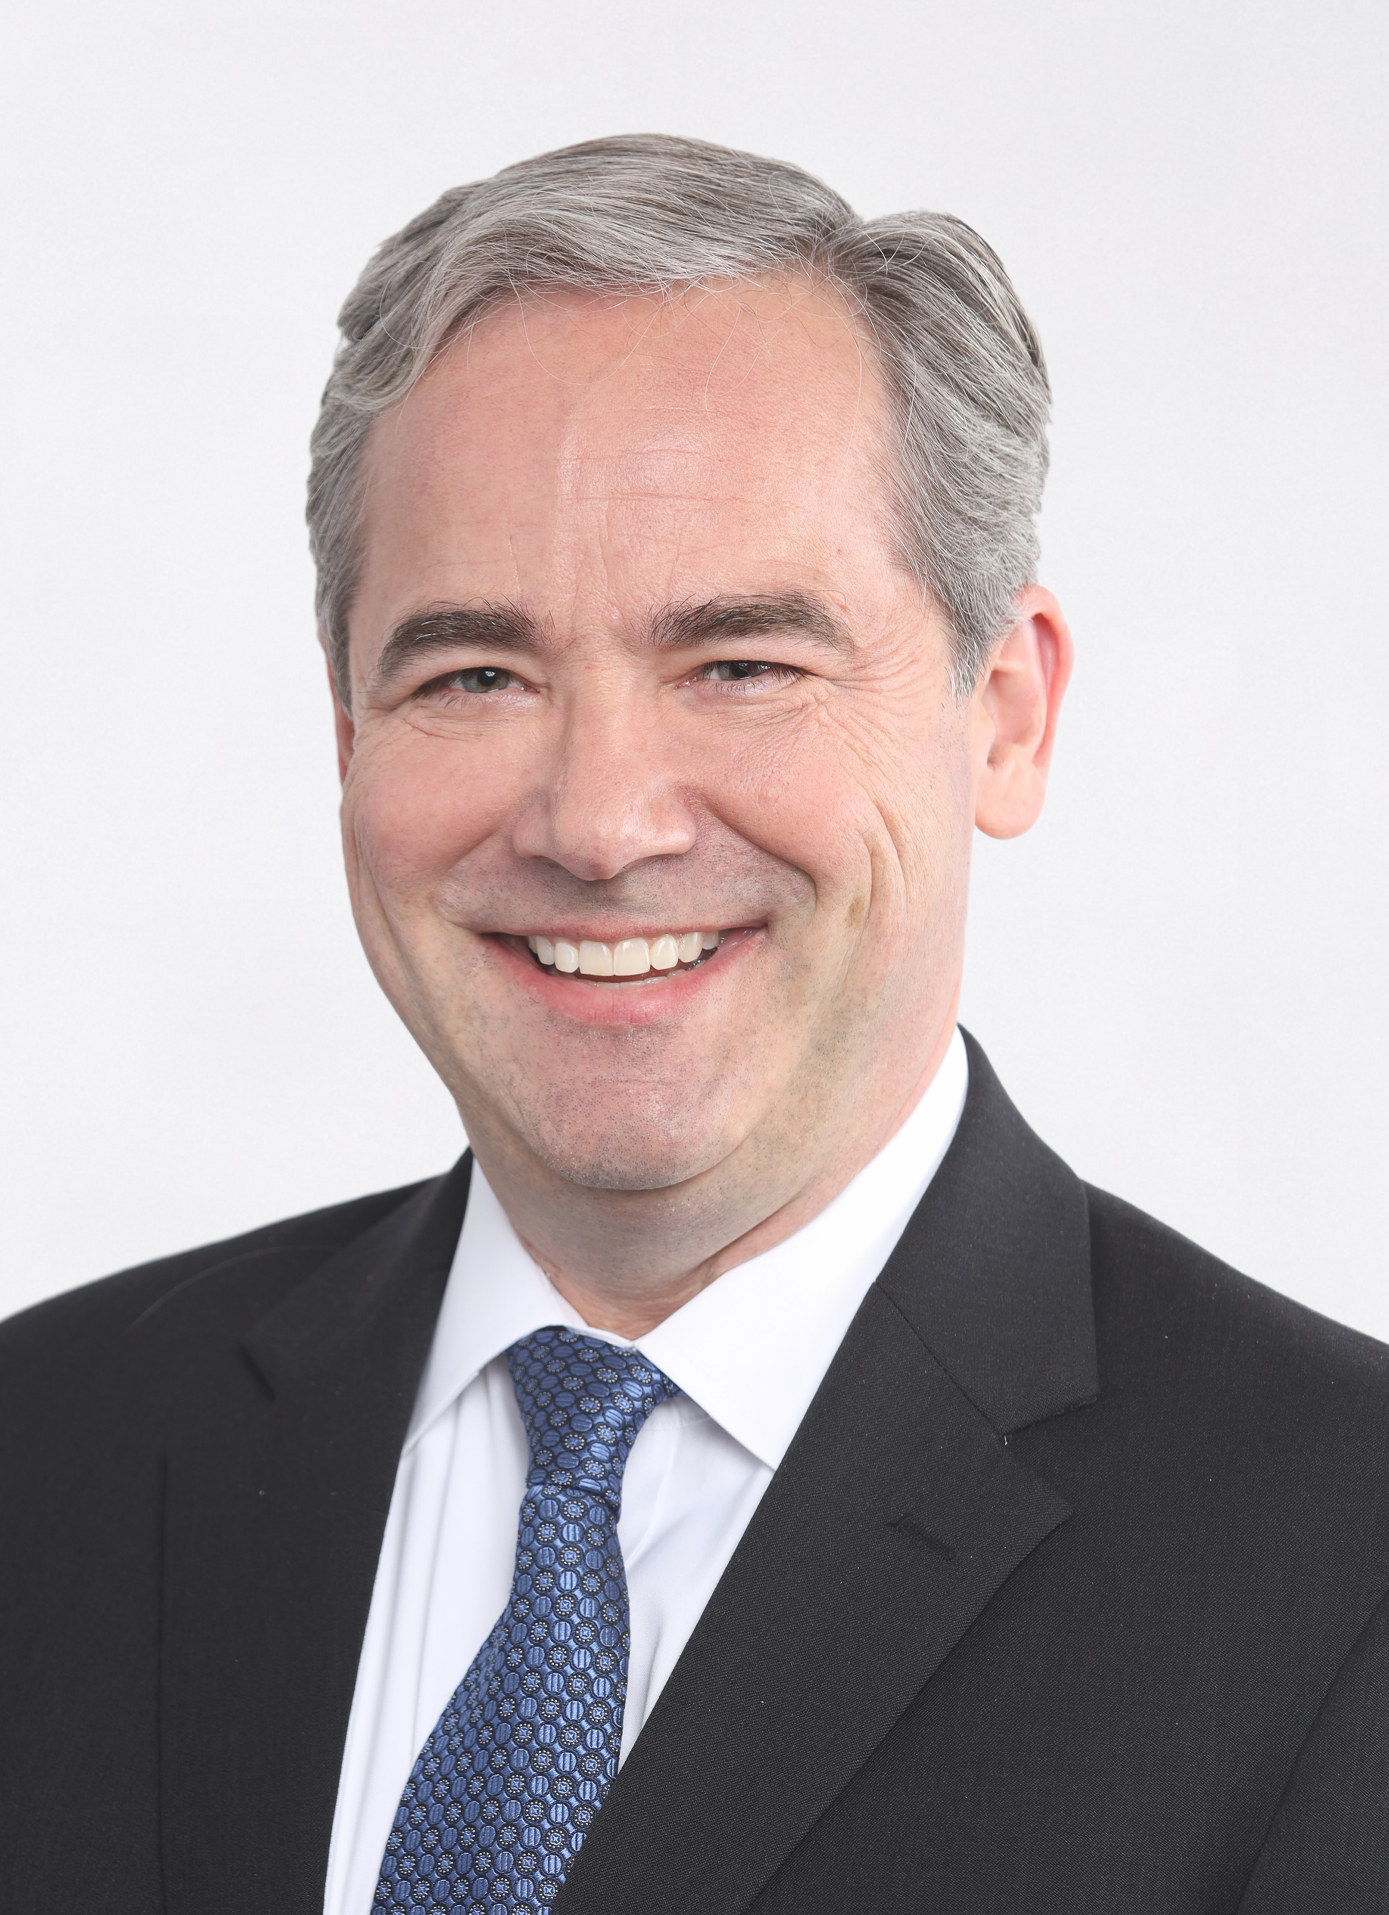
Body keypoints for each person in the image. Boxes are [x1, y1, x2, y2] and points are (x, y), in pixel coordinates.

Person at [2, 133, 1386, 1915]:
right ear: (349, 737)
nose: (600, 821)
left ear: (1006, 713)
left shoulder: (1342, 1565)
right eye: (474, 673)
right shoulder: (44, 1455)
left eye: (742, 664)